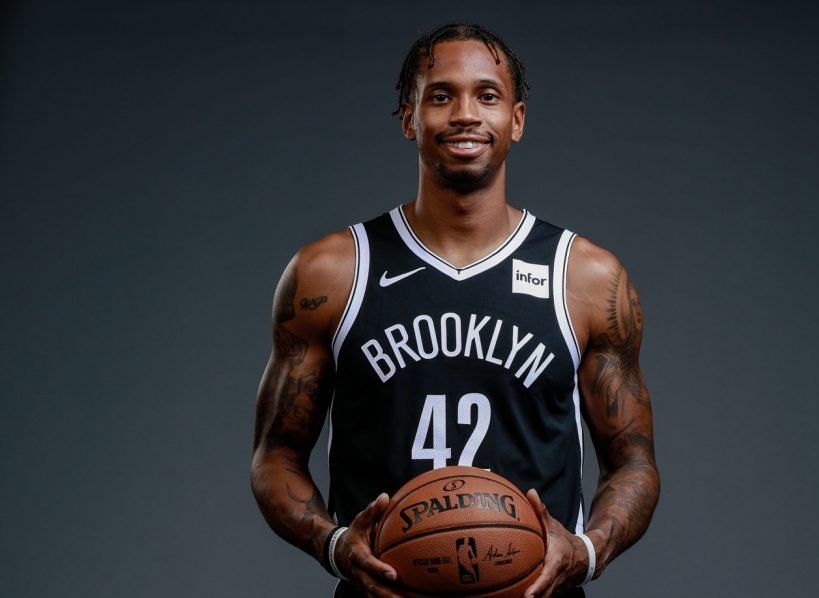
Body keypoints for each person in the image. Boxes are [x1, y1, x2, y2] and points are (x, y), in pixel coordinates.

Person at [251, 22, 660, 598]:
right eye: (441, 95)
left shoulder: (586, 278)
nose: (466, 114)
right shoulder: (333, 272)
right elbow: (275, 455)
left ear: (516, 120)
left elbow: (633, 461)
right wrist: (335, 544)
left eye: (487, 96)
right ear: (409, 118)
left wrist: (587, 550)